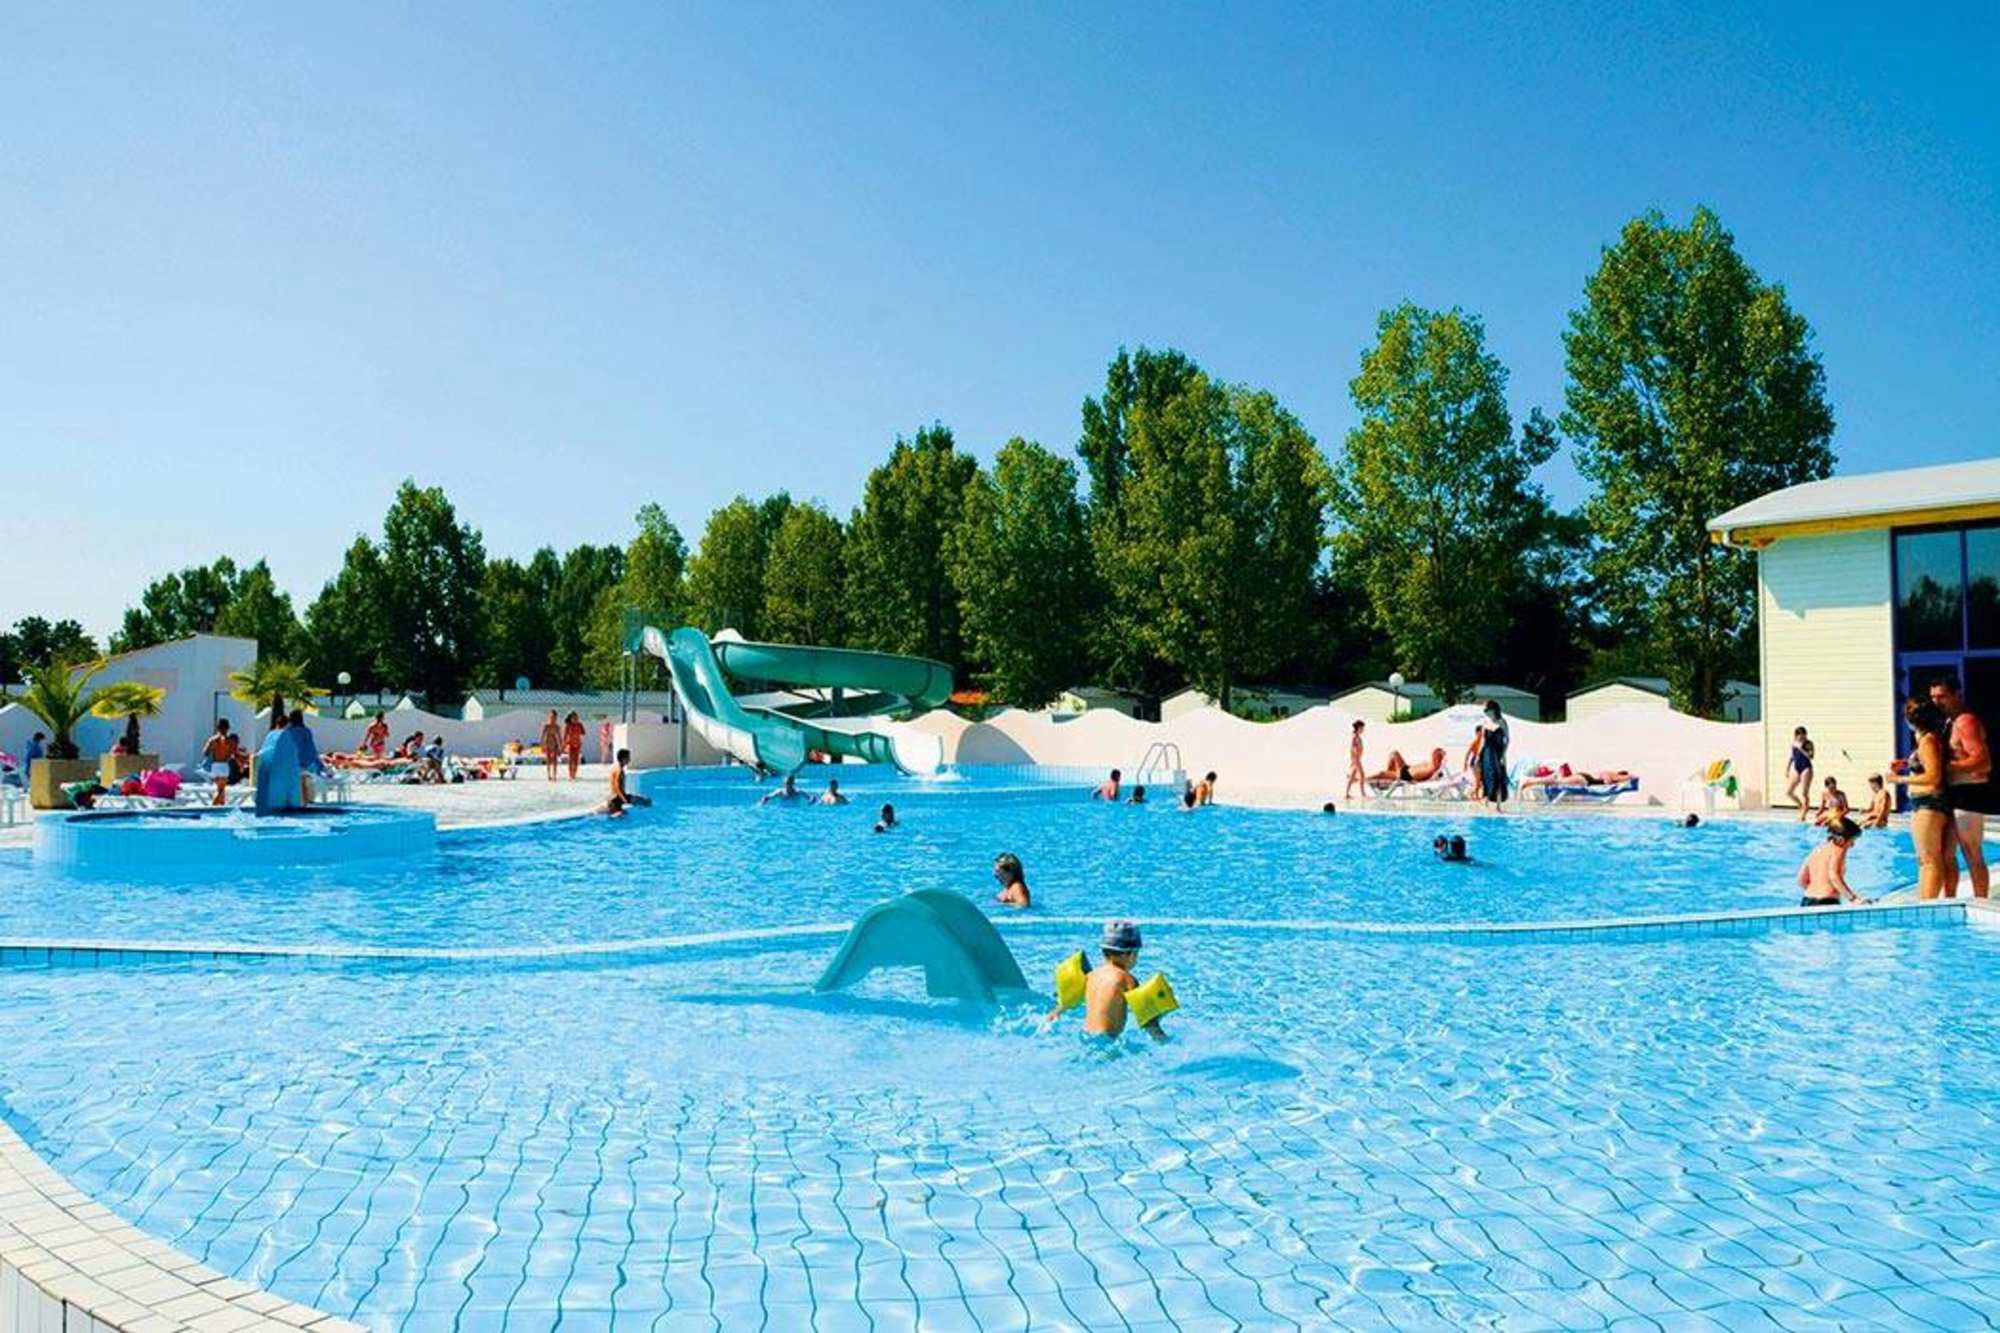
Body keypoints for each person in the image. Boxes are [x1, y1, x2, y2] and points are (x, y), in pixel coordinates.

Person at [1046, 920, 1167, 1041]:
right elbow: (1147, 1020)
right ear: (1131, 955)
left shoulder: (1091, 976)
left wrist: (1056, 1012)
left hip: (1085, 1036)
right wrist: (1162, 1037)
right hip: (1107, 1039)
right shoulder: (1127, 979)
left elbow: (1069, 1000)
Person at [1931, 676, 1992, 899]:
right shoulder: (1950, 722)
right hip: (1954, 794)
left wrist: (1944, 768)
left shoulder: (1966, 722)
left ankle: (1981, 901)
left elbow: (1983, 762)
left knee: (1971, 852)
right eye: (1933, 697)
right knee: (1946, 854)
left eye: (1942, 696)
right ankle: (1950, 899)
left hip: (1969, 793)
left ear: (1957, 694)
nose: (1937, 702)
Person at [1887, 698, 1954, 900]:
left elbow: (1933, 776)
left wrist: (1899, 779)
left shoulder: (1927, 741)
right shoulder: (1929, 739)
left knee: (1928, 860)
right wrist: (1907, 763)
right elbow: (1929, 765)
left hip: (1929, 804)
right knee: (1930, 859)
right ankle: (1927, 901)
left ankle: (1925, 904)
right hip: (1931, 804)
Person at [1798, 817, 1868, 907]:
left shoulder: (1817, 850)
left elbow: (1801, 880)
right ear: (1841, 840)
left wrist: (1815, 892)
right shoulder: (1838, 850)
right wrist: (1853, 899)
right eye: (1852, 841)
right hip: (1826, 901)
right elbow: (1834, 876)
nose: (1852, 845)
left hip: (1807, 900)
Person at [1476, 700, 1510, 812]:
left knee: (1499, 777)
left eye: (1486, 710)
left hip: (1498, 752)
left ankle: (1498, 806)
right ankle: (1486, 802)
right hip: (1486, 753)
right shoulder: (1485, 722)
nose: (1485, 712)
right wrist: (1478, 756)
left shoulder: (1502, 722)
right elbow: (1482, 741)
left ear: (1493, 709)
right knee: (1486, 777)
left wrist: (1503, 754)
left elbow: (1507, 740)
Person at [200, 720, 237, 806]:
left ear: (217, 728)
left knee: (220, 789)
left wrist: (213, 749)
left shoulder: (213, 740)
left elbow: (205, 753)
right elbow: (233, 753)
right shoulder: (230, 741)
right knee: (221, 790)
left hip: (215, 766)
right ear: (228, 728)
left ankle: (221, 807)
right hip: (224, 765)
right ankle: (212, 807)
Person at [288, 708, 321, 805]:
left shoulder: (287, 731)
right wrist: (320, 766)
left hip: (290, 765)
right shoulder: (306, 731)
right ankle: (307, 800)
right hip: (304, 765)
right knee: (306, 778)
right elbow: (311, 750)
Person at [605, 748, 652, 812]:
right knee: (647, 801)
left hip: (614, 797)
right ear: (623, 759)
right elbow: (617, 787)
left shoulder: (615, 767)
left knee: (644, 800)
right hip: (617, 799)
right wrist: (624, 800)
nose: (629, 760)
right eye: (628, 758)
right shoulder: (619, 771)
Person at [1370, 747, 1447, 786]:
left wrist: (1415, 781)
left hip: (1405, 776)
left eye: (1436, 755)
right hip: (1406, 769)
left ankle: (1366, 779)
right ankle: (1388, 780)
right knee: (1394, 753)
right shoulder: (1433, 764)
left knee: (1381, 773)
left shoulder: (1433, 768)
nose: (1433, 756)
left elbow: (1425, 779)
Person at [1785, 726, 1816, 821]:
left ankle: (1803, 815)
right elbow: (1791, 757)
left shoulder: (1809, 743)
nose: (1801, 737)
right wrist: (1787, 768)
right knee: (1789, 792)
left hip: (1806, 768)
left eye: (1803, 735)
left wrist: (1801, 749)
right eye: (1798, 735)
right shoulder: (1794, 744)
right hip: (1796, 768)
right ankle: (1801, 805)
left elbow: (1811, 756)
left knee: (1804, 793)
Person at [1344, 719, 1366, 800]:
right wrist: (1354, 759)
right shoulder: (1354, 737)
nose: (1363, 730)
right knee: (1362, 775)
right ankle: (1363, 794)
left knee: (1352, 776)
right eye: (1362, 728)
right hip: (1356, 759)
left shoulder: (1357, 736)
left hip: (1357, 758)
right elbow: (1352, 748)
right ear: (1358, 728)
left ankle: (1347, 794)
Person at [540, 711, 562, 783]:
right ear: (549, 717)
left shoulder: (557, 727)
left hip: (555, 744)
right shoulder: (546, 726)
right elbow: (542, 736)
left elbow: (559, 737)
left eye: (554, 717)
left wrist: (561, 747)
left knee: (555, 760)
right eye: (552, 717)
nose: (553, 719)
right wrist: (542, 745)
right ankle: (549, 775)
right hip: (547, 744)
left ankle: (554, 775)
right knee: (548, 760)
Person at [563, 712, 586, 781]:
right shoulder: (568, 725)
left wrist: (580, 729)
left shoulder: (579, 725)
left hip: (577, 744)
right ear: (571, 718)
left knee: (576, 760)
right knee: (570, 760)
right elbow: (565, 735)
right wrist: (564, 744)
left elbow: (583, 733)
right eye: (574, 718)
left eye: (576, 718)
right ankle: (570, 775)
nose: (576, 719)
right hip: (570, 744)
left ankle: (574, 775)